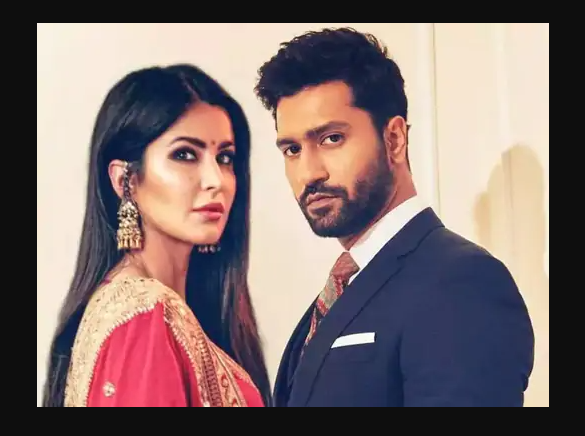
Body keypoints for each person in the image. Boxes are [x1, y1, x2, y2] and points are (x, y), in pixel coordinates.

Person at [254, 27, 535, 407]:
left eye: (331, 138)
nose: (309, 173)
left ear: (395, 139)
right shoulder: (341, 290)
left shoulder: (462, 280)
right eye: (291, 149)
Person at [42, 64, 272, 407]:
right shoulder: (146, 316)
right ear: (126, 181)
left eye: (225, 158)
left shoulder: (145, 309)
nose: (216, 180)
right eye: (185, 155)